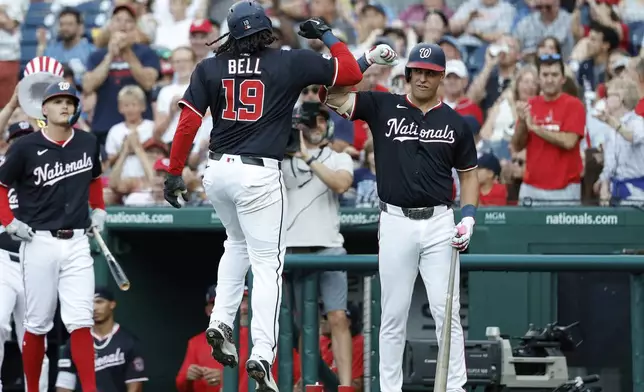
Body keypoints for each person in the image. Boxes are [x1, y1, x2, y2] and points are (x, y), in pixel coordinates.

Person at [162, 0, 367, 390]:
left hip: (217, 170)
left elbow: (189, 121)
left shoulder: (209, 66)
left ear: (232, 33)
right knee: (267, 264)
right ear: (266, 31)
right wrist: (324, 34)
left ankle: (220, 321)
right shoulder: (288, 60)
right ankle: (262, 352)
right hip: (258, 173)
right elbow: (352, 71)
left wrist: (173, 172)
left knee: (234, 244)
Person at [320, 43, 479, 392]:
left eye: (430, 72)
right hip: (395, 220)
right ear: (407, 73)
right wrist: (366, 60)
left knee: (446, 312)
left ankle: (455, 387)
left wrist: (468, 217)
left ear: (441, 77)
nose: (422, 77)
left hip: (439, 221)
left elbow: (468, 175)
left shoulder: (456, 122)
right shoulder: (383, 104)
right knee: (393, 314)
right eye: (416, 71)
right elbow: (329, 95)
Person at [0, 81, 106, 392]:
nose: (64, 106)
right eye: (57, 101)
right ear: (43, 109)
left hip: (75, 242)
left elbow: (96, 180)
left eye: (69, 102)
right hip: (38, 241)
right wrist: (8, 221)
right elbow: (1, 187)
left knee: (81, 321)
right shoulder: (24, 147)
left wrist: (98, 209)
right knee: (37, 324)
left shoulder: (88, 142)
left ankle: (90, 389)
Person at [283, 102, 354, 388]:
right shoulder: (282, 159)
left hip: (329, 247)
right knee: (303, 325)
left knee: (337, 317)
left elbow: (341, 184)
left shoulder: (338, 157)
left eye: (322, 121)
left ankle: (346, 385)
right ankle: (308, 381)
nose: (318, 127)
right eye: (311, 122)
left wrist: (307, 158)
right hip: (294, 249)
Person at [0, 122, 49, 392]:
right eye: (16, 139)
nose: (21, 143)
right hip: (3, 260)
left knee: (34, 335)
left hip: (36, 263)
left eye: (26, 138)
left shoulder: (49, 172)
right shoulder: (1, 171)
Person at [55, 287, 149, 392]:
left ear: (112, 304)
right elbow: (64, 385)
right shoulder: (74, 343)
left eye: (99, 302)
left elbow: (135, 387)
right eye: (90, 303)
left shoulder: (129, 342)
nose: (94, 308)